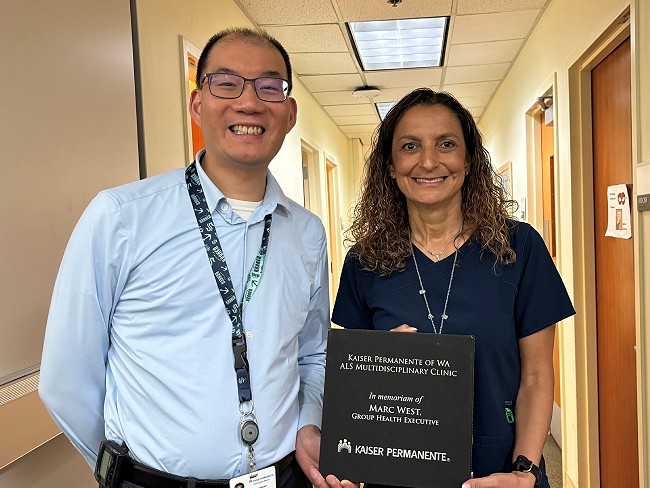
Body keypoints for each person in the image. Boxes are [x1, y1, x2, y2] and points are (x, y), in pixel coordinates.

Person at [40, 27, 348, 488]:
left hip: (285, 478)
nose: (249, 102)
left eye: (269, 86)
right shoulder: (122, 218)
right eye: (226, 83)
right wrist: (128, 474)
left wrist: (309, 423)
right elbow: (66, 380)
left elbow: (312, 354)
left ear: (289, 113)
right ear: (197, 104)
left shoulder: (307, 232)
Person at [331, 88, 575, 488]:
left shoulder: (518, 248)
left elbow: (535, 375)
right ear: (390, 166)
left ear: (468, 160)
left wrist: (525, 471)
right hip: (398, 472)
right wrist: (382, 366)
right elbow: (352, 387)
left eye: (446, 144)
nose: (429, 161)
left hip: (503, 471)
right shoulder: (364, 261)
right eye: (410, 146)